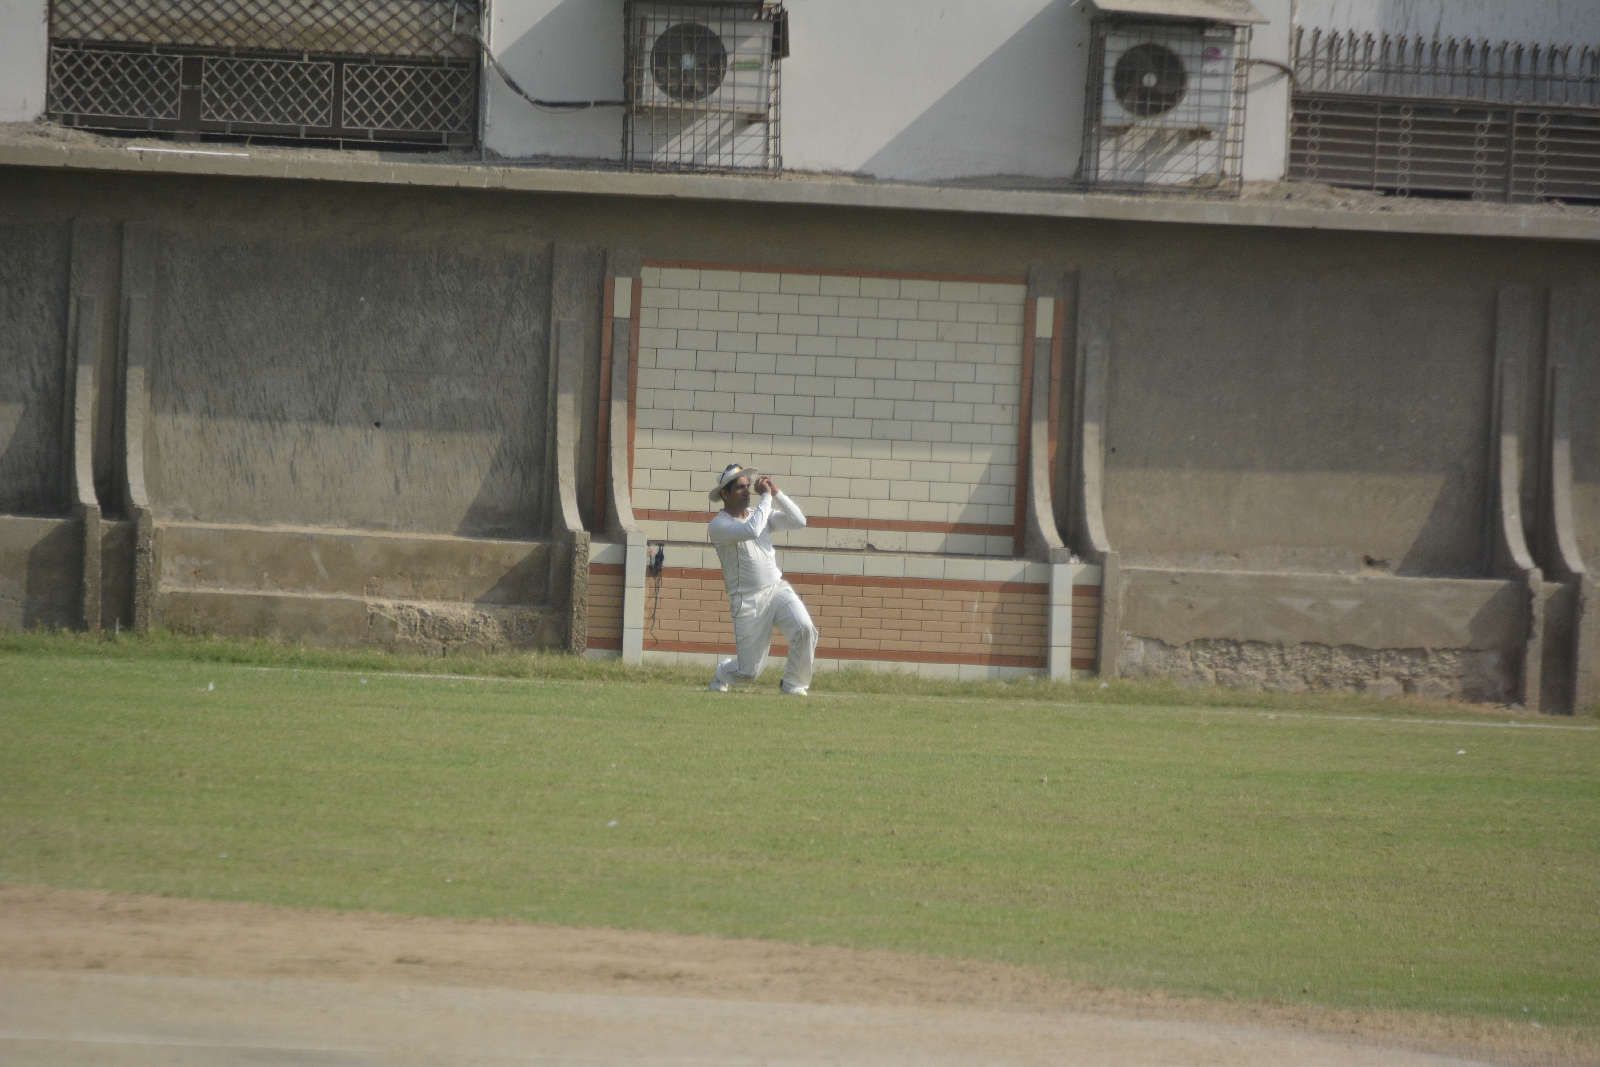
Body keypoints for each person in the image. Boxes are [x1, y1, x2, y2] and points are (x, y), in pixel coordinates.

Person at [706, 463, 819, 696]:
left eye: (748, 486)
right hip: (747, 600)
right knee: (748, 673)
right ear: (725, 494)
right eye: (740, 487)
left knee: (805, 628)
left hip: (777, 589)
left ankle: (793, 684)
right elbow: (751, 530)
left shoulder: (760, 514)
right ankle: (722, 673)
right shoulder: (719, 525)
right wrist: (766, 498)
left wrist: (776, 493)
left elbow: (799, 521)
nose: (747, 491)